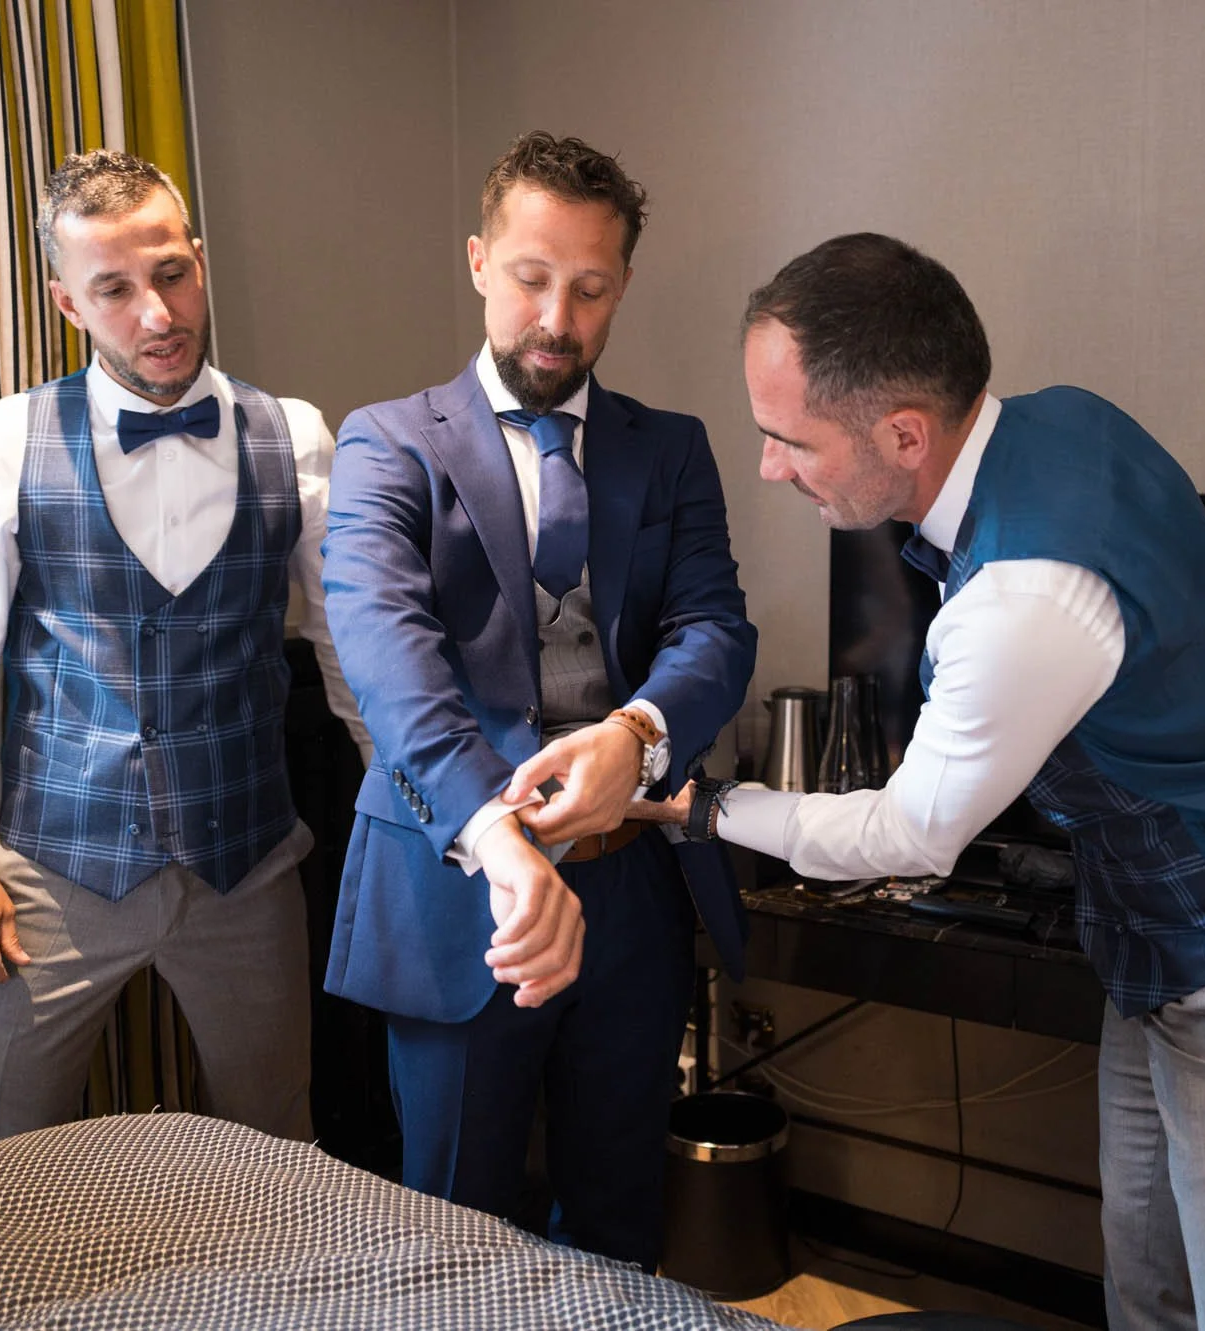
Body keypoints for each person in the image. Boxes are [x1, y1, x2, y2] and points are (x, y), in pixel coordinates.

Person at [618, 233, 1205, 1330]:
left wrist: (706, 805)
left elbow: (909, 835)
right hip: (1165, 955)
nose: (768, 466)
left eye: (785, 439)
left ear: (903, 432)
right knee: (1151, 1299)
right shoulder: (1062, 418)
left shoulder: (1020, 599)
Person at [322, 132, 755, 1269]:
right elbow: (387, 655)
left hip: (634, 891)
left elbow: (715, 626)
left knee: (616, 1228)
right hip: (453, 888)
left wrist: (636, 732)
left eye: (590, 286)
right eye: (529, 277)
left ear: (620, 286)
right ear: (477, 262)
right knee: (452, 1233)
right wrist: (497, 840)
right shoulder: (385, 441)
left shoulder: (669, 450)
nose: (555, 317)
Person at [0, 150, 366, 1156]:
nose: (156, 314)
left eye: (171, 274)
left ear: (200, 259)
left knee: (278, 1143)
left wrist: (414, 814)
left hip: (246, 866)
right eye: (114, 288)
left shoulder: (297, 435)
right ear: (68, 301)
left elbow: (348, 651)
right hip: (55, 870)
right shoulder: (0, 442)